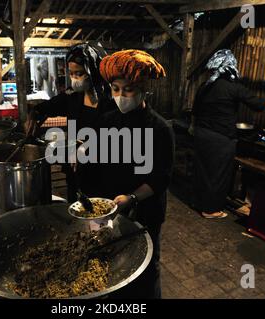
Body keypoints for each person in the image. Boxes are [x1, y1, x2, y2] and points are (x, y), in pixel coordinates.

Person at [97, 49, 175, 298]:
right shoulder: (109, 120)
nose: (120, 96)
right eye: (115, 89)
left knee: (145, 270)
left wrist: (132, 198)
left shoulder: (160, 128)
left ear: (142, 88)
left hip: (145, 210)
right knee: (116, 265)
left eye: (128, 89)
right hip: (114, 207)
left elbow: (161, 178)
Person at [190, 49, 265, 219]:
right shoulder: (233, 88)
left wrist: (193, 127)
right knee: (218, 174)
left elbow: (195, 111)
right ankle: (210, 210)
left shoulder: (205, 86)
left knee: (203, 171)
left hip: (202, 134)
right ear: (230, 67)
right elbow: (257, 103)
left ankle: (199, 202)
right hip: (221, 138)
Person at [25, 43, 114, 202]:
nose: (74, 78)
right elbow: (49, 106)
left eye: (79, 73)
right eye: (71, 73)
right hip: (76, 170)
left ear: (93, 71)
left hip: (103, 172)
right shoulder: (73, 96)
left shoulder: (112, 101)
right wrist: (34, 113)